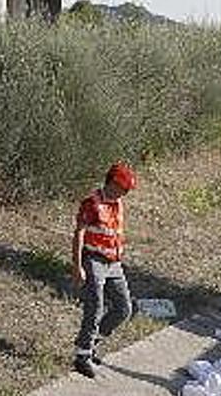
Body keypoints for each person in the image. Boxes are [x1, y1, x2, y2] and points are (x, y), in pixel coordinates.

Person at [71, 162, 137, 379]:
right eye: (123, 189)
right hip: (94, 261)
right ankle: (82, 356)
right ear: (111, 183)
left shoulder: (118, 203)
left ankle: (91, 344)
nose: (125, 194)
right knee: (94, 307)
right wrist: (78, 266)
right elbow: (79, 233)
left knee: (123, 308)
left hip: (114, 264)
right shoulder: (91, 203)